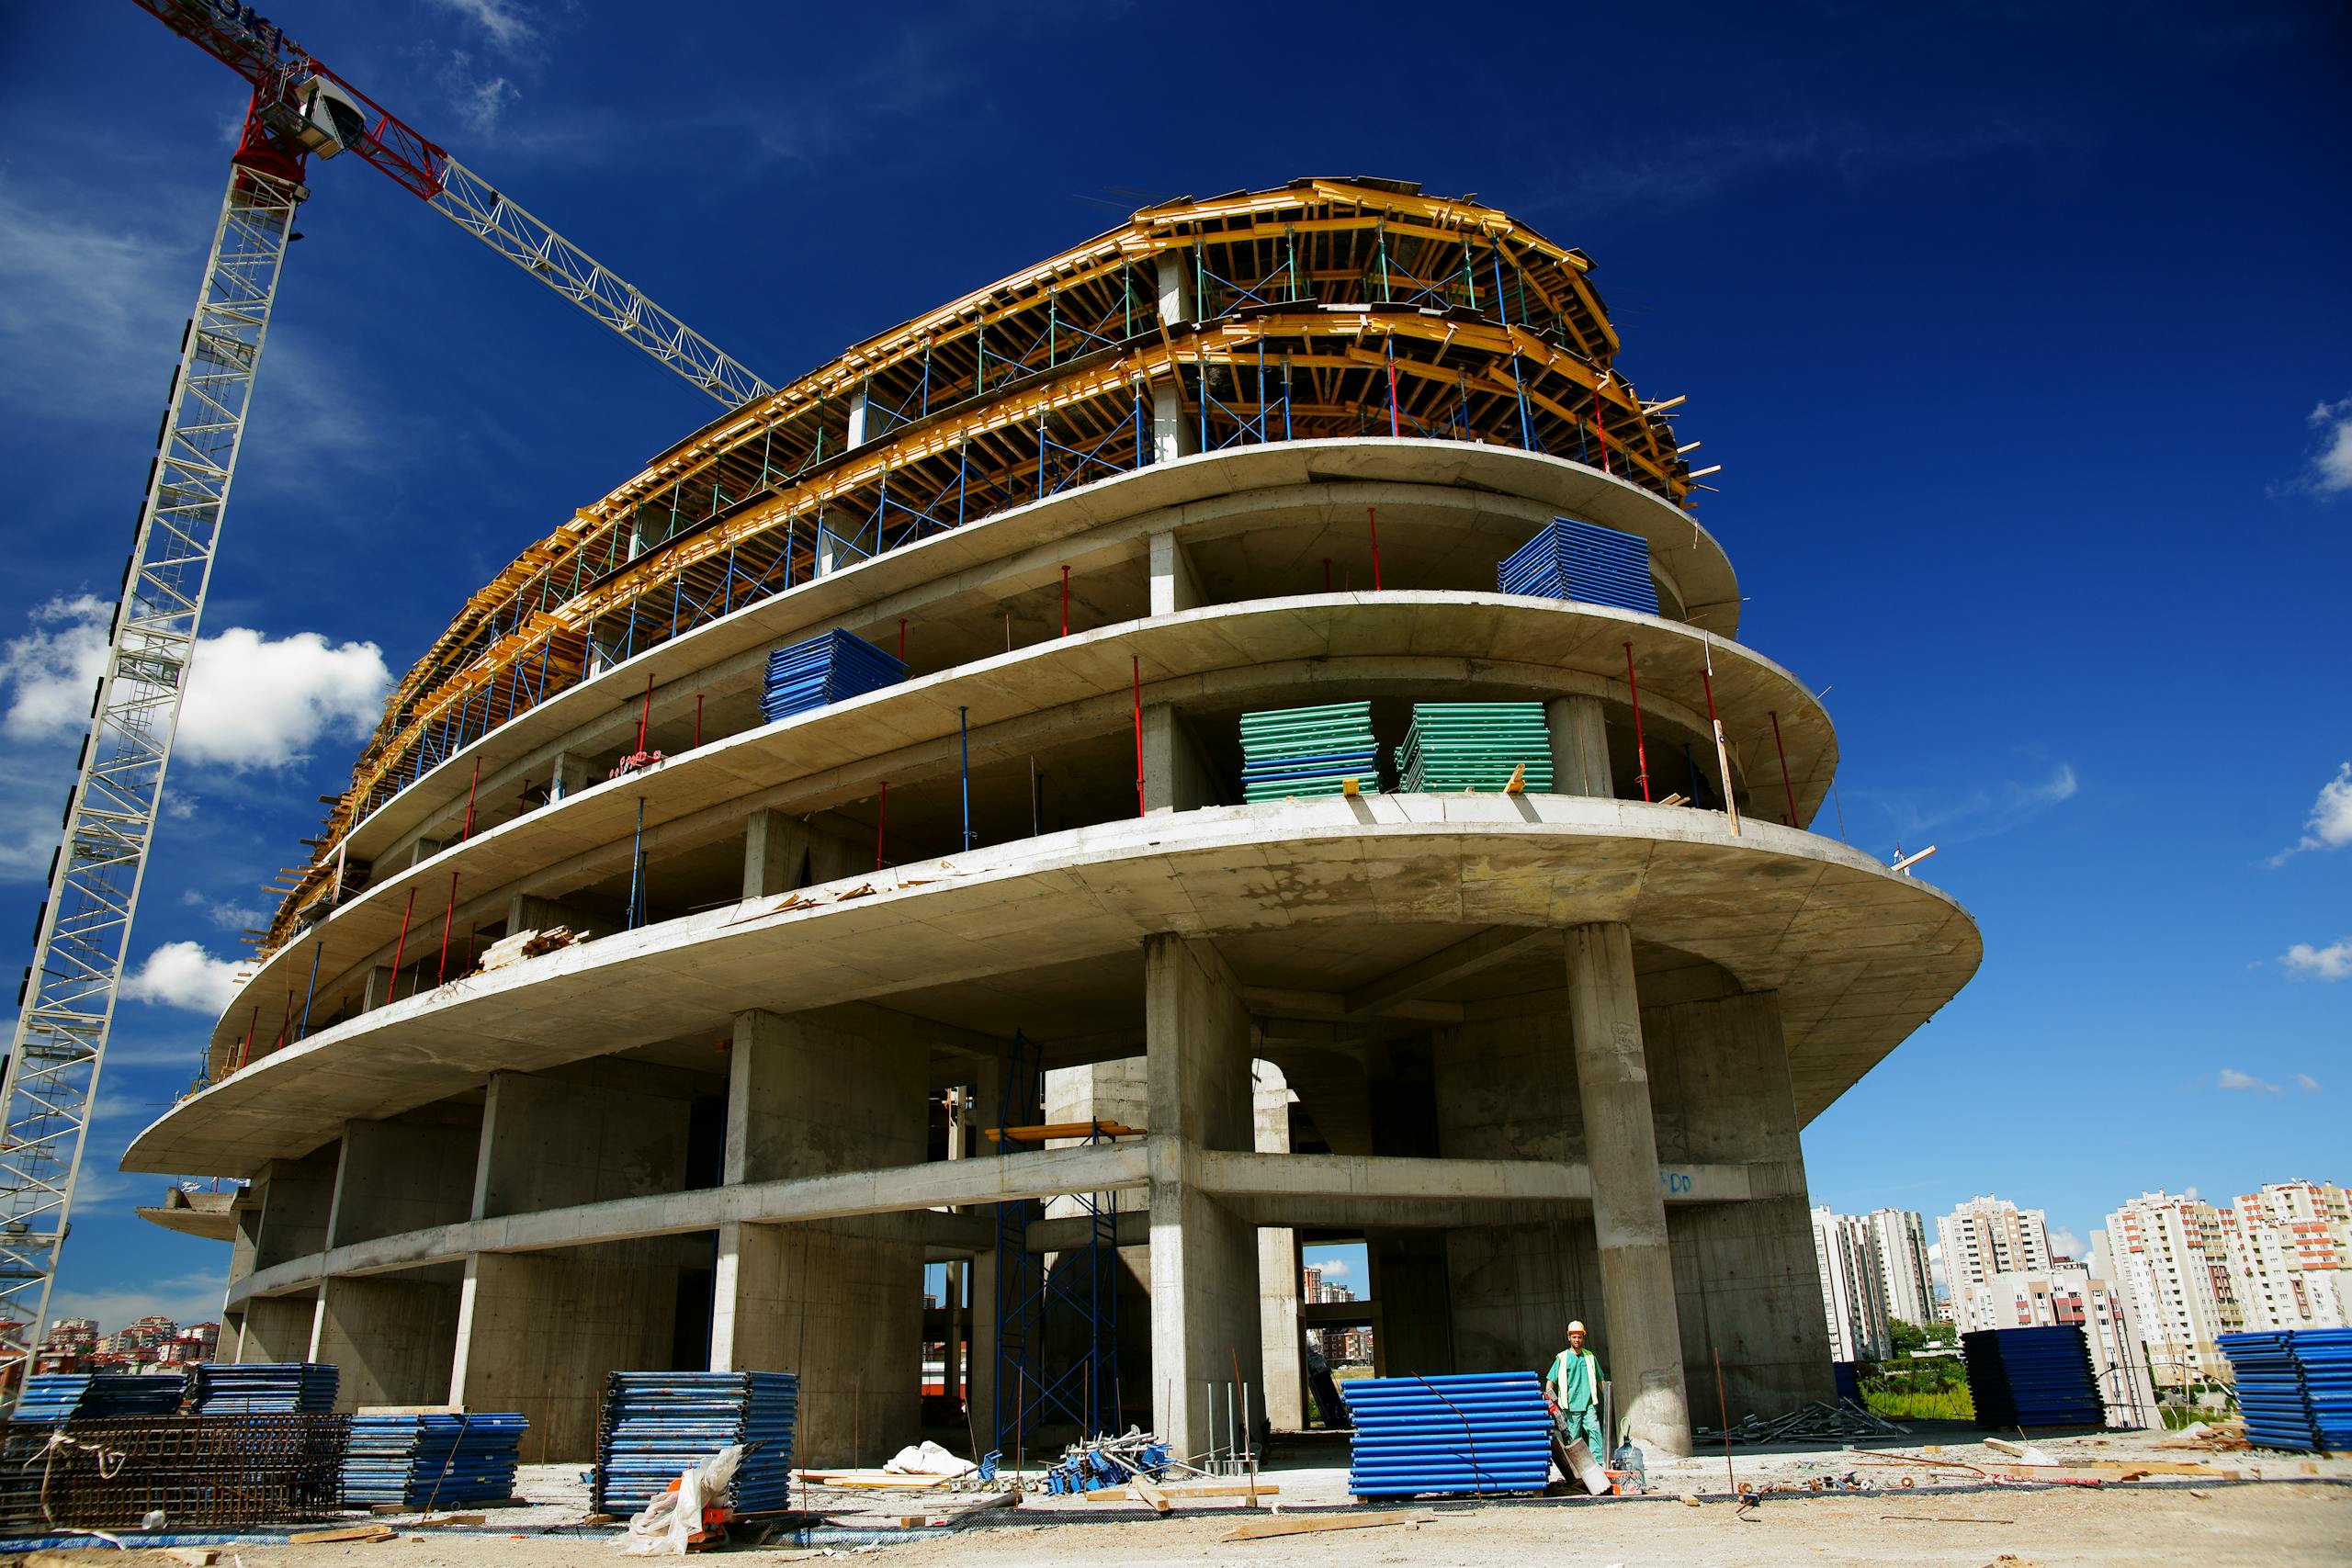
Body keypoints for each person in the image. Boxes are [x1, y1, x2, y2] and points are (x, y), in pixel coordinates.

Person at [1545, 1319, 1604, 1460]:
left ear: (1583, 1337)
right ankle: (1578, 1469)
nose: (1577, 1339)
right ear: (1569, 1338)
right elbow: (1550, 1383)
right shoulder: (1562, 1358)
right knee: (1574, 1440)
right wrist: (1552, 1403)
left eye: (1579, 1336)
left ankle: (1598, 1464)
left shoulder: (1590, 1357)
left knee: (1594, 1430)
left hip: (1588, 1404)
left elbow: (1600, 1379)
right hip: (1571, 1407)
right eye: (1574, 1337)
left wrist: (1607, 1398)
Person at [1306, 1335, 1349, 1430]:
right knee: (1331, 1400)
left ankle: (1336, 1420)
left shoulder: (1310, 1339)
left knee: (1330, 1401)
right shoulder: (1311, 1340)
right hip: (1319, 1372)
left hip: (1318, 1372)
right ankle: (1337, 1420)